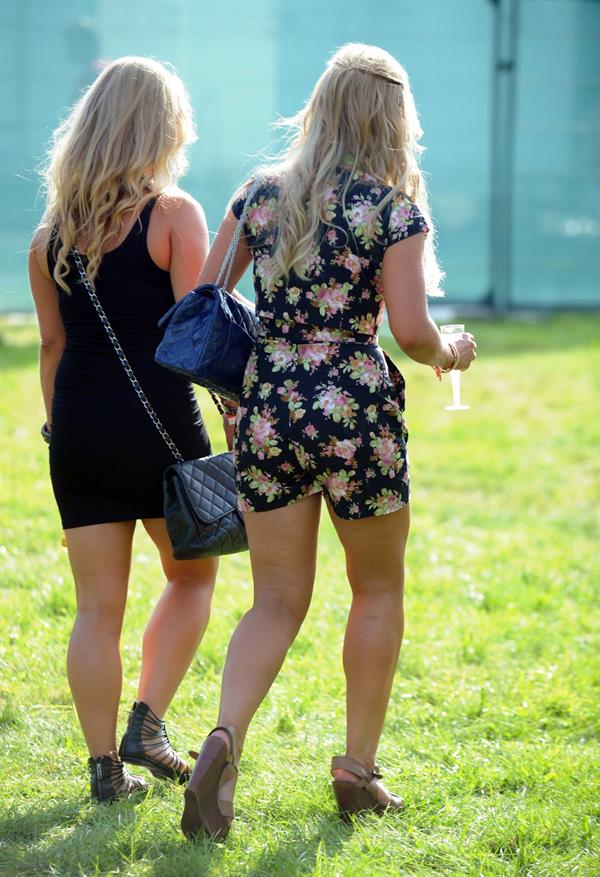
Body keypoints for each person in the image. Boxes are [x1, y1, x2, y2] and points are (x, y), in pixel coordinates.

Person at [180, 43, 477, 840]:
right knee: (377, 589)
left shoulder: (258, 196)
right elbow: (412, 333)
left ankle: (223, 739)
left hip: (271, 406)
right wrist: (452, 351)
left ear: (319, 108)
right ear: (393, 120)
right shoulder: (395, 209)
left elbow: (206, 306)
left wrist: (239, 402)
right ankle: (356, 771)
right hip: (357, 411)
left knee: (275, 599)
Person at [29, 57, 225, 802]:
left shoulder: (47, 240)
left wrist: (61, 428)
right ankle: (148, 723)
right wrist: (235, 417)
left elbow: (53, 349)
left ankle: (104, 768)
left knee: (94, 609)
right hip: (161, 427)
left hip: (76, 427)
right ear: (162, 128)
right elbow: (197, 335)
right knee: (193, 575)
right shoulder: (173, 215)